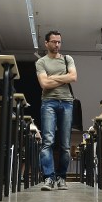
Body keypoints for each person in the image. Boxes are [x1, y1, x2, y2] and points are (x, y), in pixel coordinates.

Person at [36, 30, 76, 190]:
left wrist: (52, 78)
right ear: (46, 43)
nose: (57, 44)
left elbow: (73, 77)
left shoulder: (67, 59)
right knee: (48, 142)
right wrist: (62, 78)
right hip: (48, 102)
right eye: (53, 42)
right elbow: (44, 85)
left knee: (65, 145)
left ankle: (61, 177)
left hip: (67, 102)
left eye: (59, 42)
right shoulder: (41, 62)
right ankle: (48, 178)